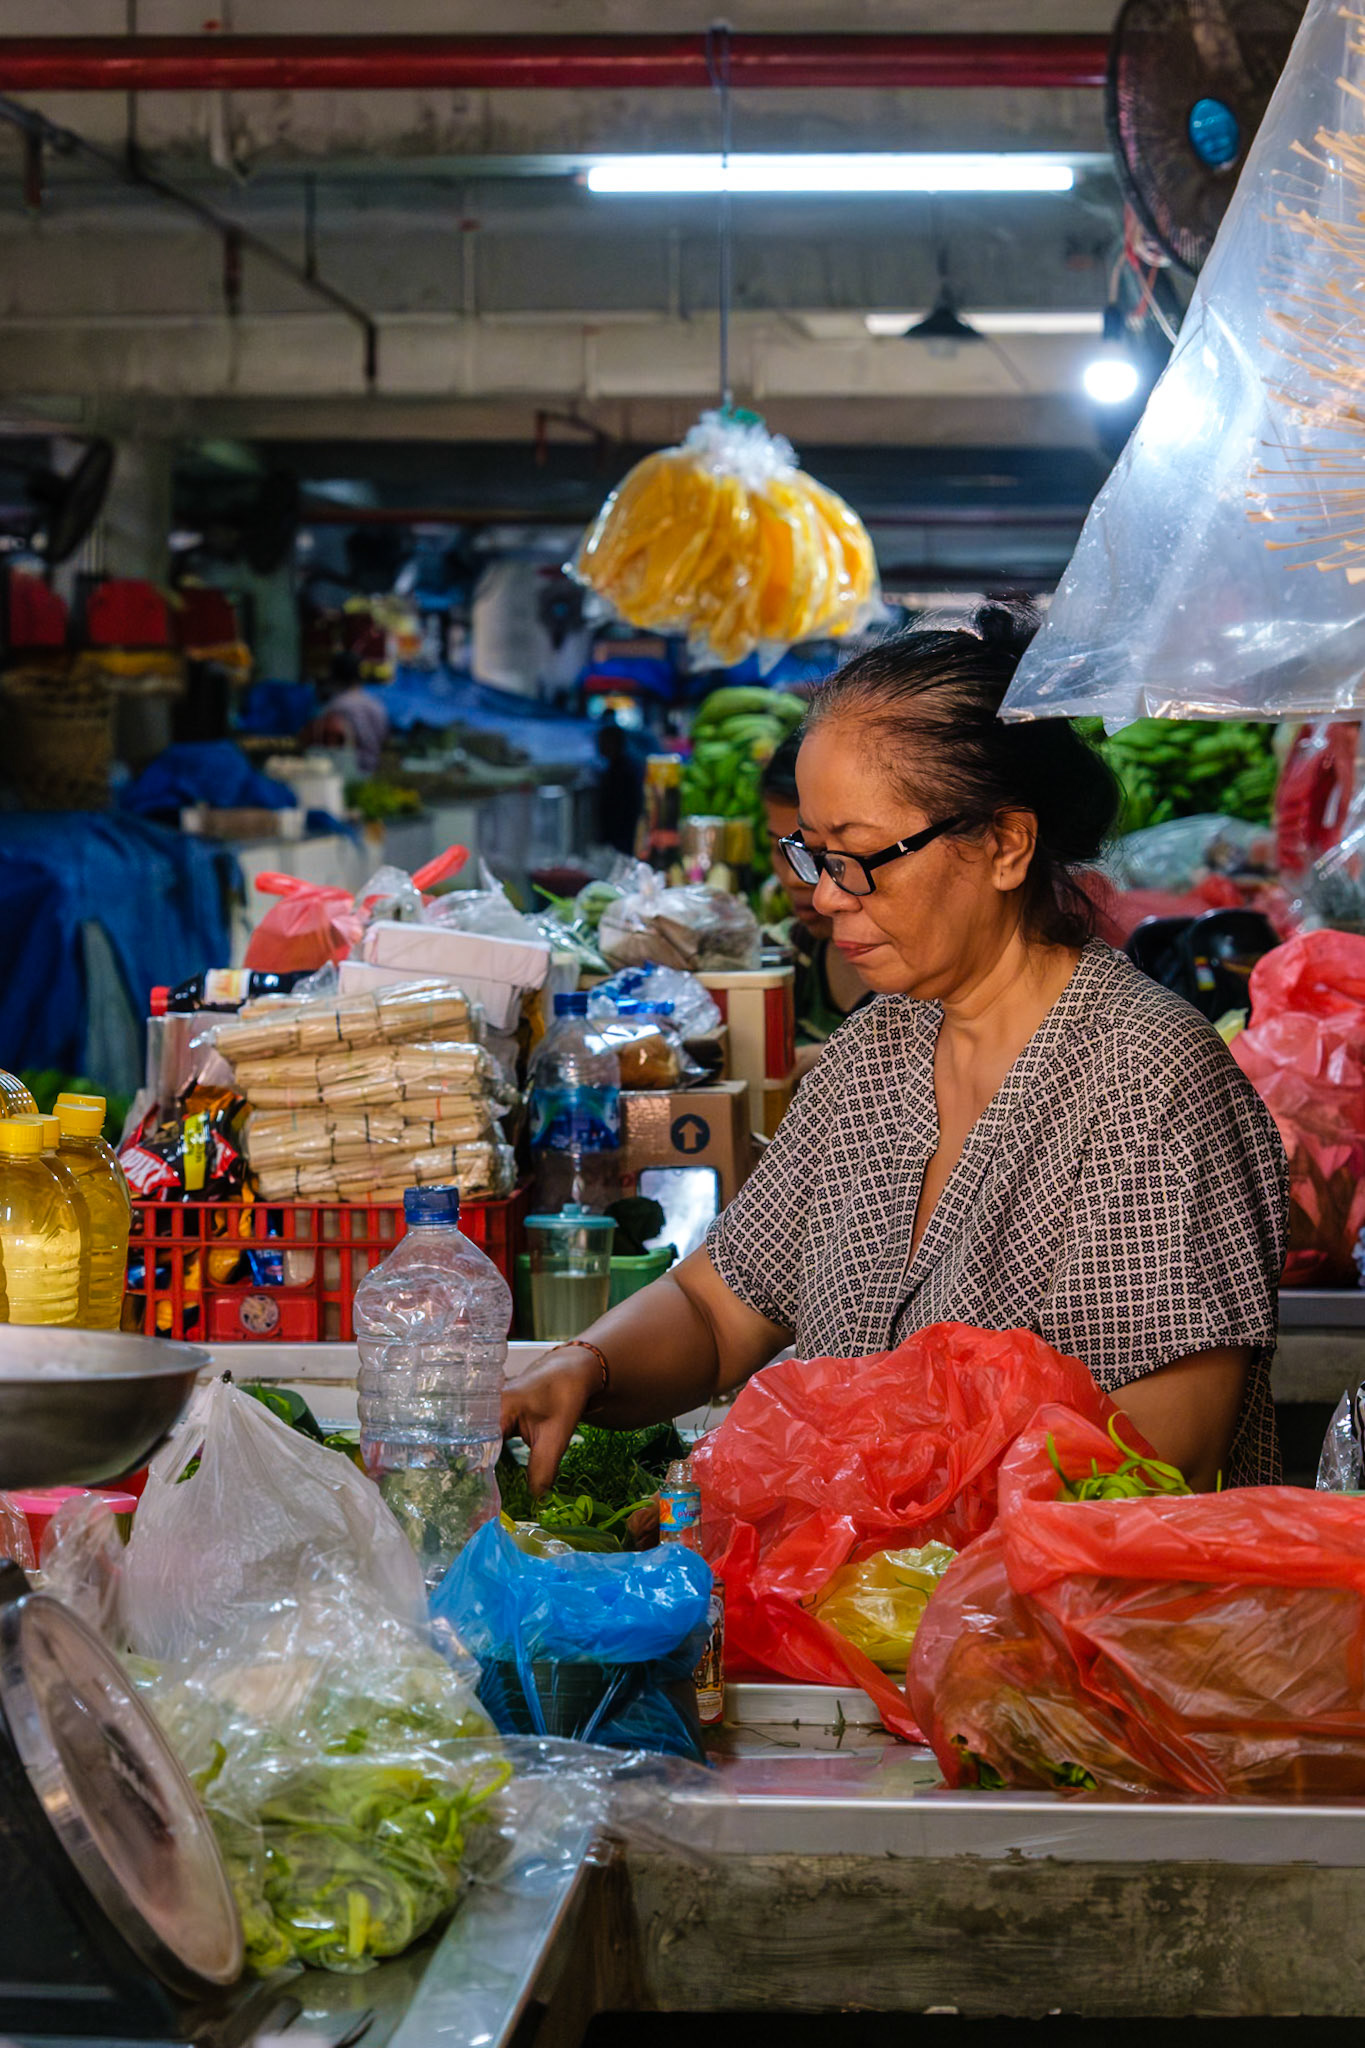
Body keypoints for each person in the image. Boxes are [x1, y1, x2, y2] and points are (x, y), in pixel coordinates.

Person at [504, 604, 1288, 1498]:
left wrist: (865, 1491)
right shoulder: (875, 1053)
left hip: (1053, 1589)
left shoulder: (1144, 1077)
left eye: (858, 856)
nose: (826, 897)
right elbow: (719, 1308)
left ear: (1004, 845)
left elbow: (1161, 1451)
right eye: (812, 855)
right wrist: (583, 1366)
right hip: (861, 1582)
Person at [761, 733, 871, 1074]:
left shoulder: (924, 981)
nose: (794, 878)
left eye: (821, 854)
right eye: (781, 851)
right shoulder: (785, 953)